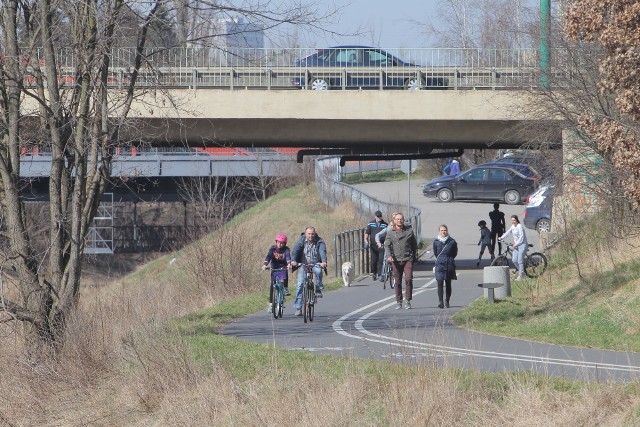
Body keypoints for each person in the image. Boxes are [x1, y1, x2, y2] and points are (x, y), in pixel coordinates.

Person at [290, 226, 327, 316]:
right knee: (300, 285)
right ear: (305, 234)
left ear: (315, 234)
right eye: (309, 234)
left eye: (312, 234)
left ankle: (318, 289)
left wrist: (324, 262)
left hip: (315, 264)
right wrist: (293, 260)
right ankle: (298, 307)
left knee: (318, 272)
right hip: (304, 265)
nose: (311, 236)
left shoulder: (319, 241)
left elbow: (322, 251)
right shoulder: (301, 240)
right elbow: (295, 250)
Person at [384, 213, 418, 310]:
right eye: (397, 219)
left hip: (407, 258)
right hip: (396, 260)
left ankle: (408, 300)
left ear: (403, 220)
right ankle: (399, 301)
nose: (399, 221)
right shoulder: (391, 232)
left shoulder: (409, 231)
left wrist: (414, 256)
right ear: (394, 220)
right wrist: (389, 255)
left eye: (401, 219)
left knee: (408, 279)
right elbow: (387, 245)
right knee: (397, 281)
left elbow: (414, 245)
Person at [261, 234, 292, 311]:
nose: (279, 244)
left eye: (281, 243)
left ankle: (285, 288)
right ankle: (271, 304)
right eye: (278, 242)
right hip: (274, 267)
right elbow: (268, 257)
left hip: (283, 266)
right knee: (272, 285)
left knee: (285, 274)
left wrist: (289, 264)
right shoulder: (273, 249)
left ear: (285, 243)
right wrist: (265, 265)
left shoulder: (286, 249)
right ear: (276, 242)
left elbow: (288, 257)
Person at [433, 224, 458, 309]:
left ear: (447, 231)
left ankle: (447, 300)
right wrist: (440, 259)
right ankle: (440, 302)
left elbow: (454, 253)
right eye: (442, 230)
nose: (443, 232)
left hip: (449, 263)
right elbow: (436, 253)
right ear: (439, 231)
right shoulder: (436, 241)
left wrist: (449, 259)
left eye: (445, 230)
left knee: (448, 283)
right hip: (439, 264)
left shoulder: (452, 241)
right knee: (439, 282)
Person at [498, 214, 528, 281]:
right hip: (516, 246)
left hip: (522, 245)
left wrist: (516, 244)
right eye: (512, 220)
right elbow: (508, 233)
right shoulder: (512, 227)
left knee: (520, 260)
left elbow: (521, 237)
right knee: (514, 260)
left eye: (514, 220)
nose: (513, 221)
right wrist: (501, 237)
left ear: (517, 220)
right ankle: (522, 272)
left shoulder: (519, 226)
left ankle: (521, 275)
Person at [364, 210, 388, 281]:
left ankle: (380, 274)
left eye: (380, 216)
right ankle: (374, 273)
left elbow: (387, 234)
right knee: (373, 260)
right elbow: (367, 233)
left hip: (381, 245)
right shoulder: (371, 224)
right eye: (378, 216)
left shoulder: (384, 224)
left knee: (381, 260)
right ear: (375, 216)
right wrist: (366, 241)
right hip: (373, 245)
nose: (379, 218)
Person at [375, 212, 398, 282]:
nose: (392, 227)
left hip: (396, 246)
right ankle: (383, 275)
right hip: (388, 245)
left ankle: (397, 273)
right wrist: (378, 243)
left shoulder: (399, 227)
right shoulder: (387, 228)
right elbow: (378, 235)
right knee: (385, 259)